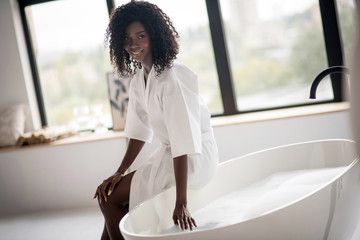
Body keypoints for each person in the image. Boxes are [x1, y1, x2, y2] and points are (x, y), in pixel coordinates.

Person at [94, 1, 219, 239]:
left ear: (155, 35)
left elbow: (183, 139)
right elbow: (139, 130)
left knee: (109, 201)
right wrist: (119, 172)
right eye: (127, 38)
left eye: (141, 36)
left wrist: (181, 201)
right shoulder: (140, 78)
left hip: (193, 157)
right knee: (108, 198)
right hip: (173, 154)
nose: (133, 44)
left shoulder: (172, 77)